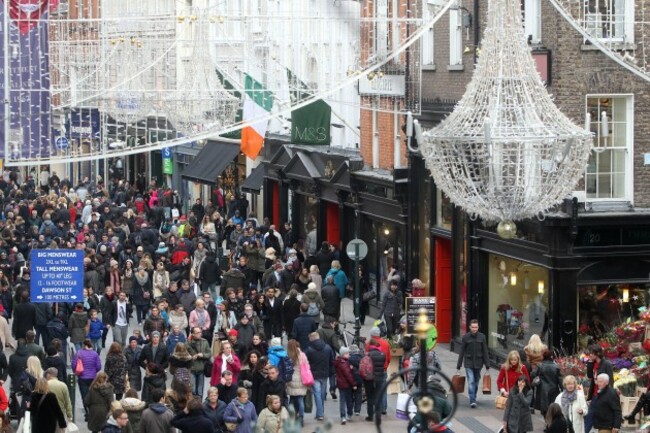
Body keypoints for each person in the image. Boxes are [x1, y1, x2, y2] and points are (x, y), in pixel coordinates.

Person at [456, 319, 490, 408]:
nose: (474, 329)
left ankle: (473, 395)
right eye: (473, 327)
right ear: (469, 327)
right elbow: (462, 351)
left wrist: (487, 364)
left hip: (479, 363)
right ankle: (472, 400)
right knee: (471, 381)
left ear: (478, 327)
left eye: (476, 327)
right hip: (468, 362)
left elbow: (485, 350)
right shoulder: (466, 337)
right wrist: (458, 365)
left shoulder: (482, 337)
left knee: (476, 381)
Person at [585, 344, 615, 433]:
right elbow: (590, 376)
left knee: (600, 417)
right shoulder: (593, 363)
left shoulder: (607, 364)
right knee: (589, 416)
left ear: (597, 353)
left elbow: (611, 381)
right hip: (595, 395)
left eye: (591, 353)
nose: (589, 355)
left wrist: (608, 396)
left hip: (603, 395)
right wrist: (590, 363)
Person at [305, 332, 334, 421]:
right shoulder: (327, 348)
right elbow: (331, 360)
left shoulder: (309, 349)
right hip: (325, 374)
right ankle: (320, 412)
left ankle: (320, 413)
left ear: (311, 339)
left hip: (314, 374)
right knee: (322, 393)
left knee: (317, 393)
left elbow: (305, 362)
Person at [286, 339, 310, 423]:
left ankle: (292, 417)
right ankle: (301, 418)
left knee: (291, 400)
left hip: (291, 379)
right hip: (301, 379)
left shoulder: (288, 355)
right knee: (300, 400)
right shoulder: (302, 355)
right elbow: (307, 366)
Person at [531, 350, 561, 416]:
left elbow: (533, 374)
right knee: (553, 408)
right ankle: (550, 423)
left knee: (544, 409)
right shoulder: (556, 367)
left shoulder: (540, 366)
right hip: (554, 390)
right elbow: (560, 380)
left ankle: (547, 423)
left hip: (542, 390)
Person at [73, 339, 102, 404]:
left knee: (84, 395)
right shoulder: (95, 354)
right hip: (93, 378)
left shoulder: (79, 353)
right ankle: (91, 408)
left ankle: (87, 410)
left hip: (82, 377)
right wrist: (94, 371)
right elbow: (99, 366)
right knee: (93, 394)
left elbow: (74, 365)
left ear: (84, 345)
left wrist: (77, 372)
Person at [188, 326, 212, 398]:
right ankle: (193, 406)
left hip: (201, 369)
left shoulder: (205, 342)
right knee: (193, 390)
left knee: (200, 391)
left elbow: (209, 354)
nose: (200, 334)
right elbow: (183, 355)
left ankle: (199, 406)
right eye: (197, 332)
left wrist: (203, 355)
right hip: (192, 369)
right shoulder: (188, 343)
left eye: (200, 332)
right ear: (193, 334)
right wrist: (190, 357)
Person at [335, 346, 357, 425]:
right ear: (343, 354)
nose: (349, 355)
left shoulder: (339, 361)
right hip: (347, 385)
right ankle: (348, 414)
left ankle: (343, 416)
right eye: (347, 353)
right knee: (349, 400)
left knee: (342, 401)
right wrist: (354, 384)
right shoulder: (344, 363)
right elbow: (348, 375)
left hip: (340, 384)